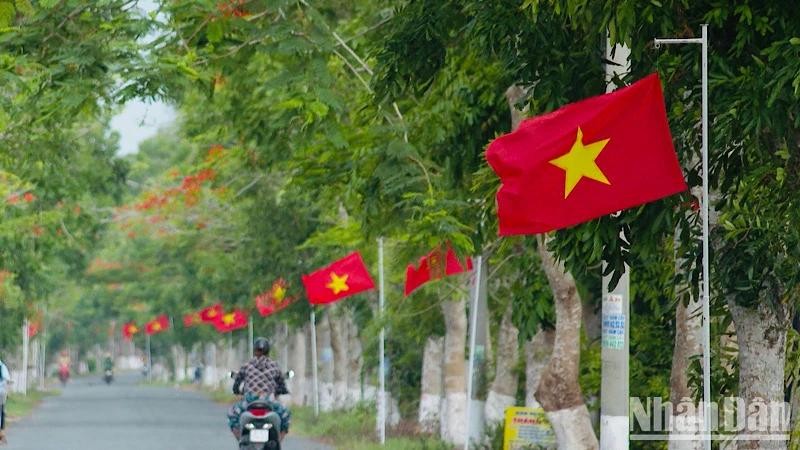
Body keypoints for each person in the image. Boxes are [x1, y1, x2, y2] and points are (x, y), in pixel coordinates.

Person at [227, 337, 290, 442]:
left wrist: (236, 390)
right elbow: (281, 385)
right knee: (285, 416)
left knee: (232, 414)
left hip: (249, 400)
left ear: (254, 350)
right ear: (268, 351)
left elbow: (237, 382)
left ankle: (240, 439)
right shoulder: (274, 366)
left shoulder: (247, 366)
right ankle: (278, 440)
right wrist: (282, 391)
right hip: (269, 400)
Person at [0, 357, 10, 444]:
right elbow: (7, 380)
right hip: (1, 392)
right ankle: (2, 433)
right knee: (2, 411)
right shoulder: (2, 366)